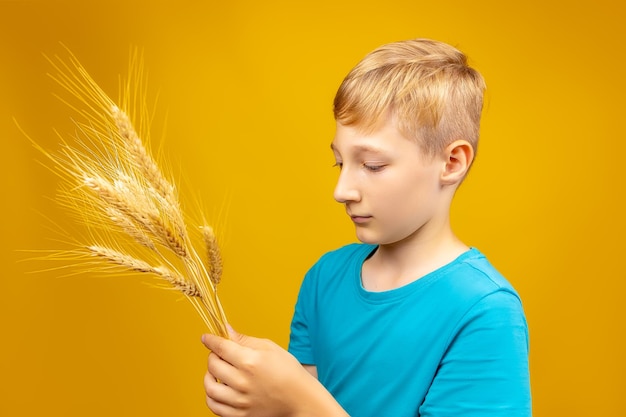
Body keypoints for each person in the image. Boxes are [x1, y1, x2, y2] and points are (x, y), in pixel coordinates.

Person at [202, 38, 531, 417]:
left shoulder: (483, 311)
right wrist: (258, 397)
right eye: (339, 163)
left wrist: (297, 402)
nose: (341, 191)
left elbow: (305, 407)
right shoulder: (324, 278)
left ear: (452, 162)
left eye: (372, 166)